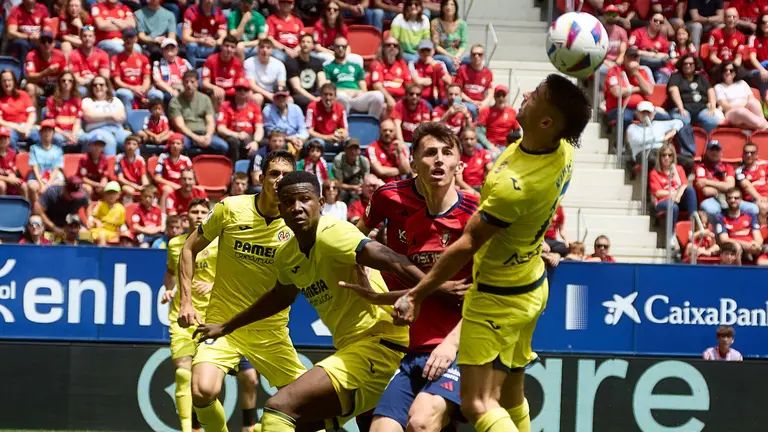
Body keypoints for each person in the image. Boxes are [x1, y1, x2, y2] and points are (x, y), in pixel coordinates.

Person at [391, 74, 591, 432]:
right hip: (532, 284)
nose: (525, 94)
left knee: (479, 402)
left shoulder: (514, 186)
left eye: (536, 96)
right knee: (511, 396)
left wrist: (416, 294)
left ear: (546, 122)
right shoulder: (563, 151)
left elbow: (467, 244)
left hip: (497, 297)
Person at [193, 169, 431, 431]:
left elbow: (392, 260)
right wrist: (227, 326)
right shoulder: (287, 255)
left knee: (278, 409)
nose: (297, 207)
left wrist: (436, 286)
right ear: (280, 210)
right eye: (288, 202)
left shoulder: (333, 232)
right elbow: (278, 298)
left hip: (380, 346)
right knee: (297, 424)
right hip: (354, 352)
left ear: (320, 203)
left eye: (304, 199)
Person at [345, 122, 477, 432]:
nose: (439, 160)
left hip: (462, 346)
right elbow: (355, 241)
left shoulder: (477, 215)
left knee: (420, 422)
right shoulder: (411, 218)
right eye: (430, 153)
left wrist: (452, 344)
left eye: (447, 153)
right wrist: (377, 293)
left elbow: (494, 290)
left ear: (459, 164)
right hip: (411, 341)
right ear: (413, 162)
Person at [174, 151, 307, 432]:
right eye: (274, 173)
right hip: (222, 326)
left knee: (308, 406)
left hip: (271, 333)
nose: (279, 180)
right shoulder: (230, 208)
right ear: (261, 178)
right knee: (202, 389)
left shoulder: (298, 223)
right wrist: (186, 302)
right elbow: (188, 248)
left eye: (286, 175)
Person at [162, 197, 218, 432]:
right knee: (183, 373)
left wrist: (213, 284)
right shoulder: (175, 244)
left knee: (204, 382)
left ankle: (199, 426)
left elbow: (232, 276)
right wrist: (168, 289)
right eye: (194, 211)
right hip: (182, 318)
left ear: (208, 216)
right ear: (187, 216)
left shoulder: (219, 242)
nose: (198, 215)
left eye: (203, 212)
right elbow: (170, 272)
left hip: (212, 319)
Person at [168, 71, 230, 157]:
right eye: (186, 82)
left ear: (197, 83)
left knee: (223, 146)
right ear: (182, 83)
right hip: (187, 135)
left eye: (192, 82)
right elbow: (180, 126)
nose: (189, 85)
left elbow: (210, 121)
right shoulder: (175, 101)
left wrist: (208, 136)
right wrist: (196, 138)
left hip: (204, 134)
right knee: (180, 147)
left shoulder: (205, 99)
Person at [695, 139, 759, 221]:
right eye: (712, 150)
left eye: (717, 150)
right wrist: (723, 188)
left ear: (721, 153)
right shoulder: (701, 168)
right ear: (706, 152)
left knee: (753, 208)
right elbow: (706, 191)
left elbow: (730, 186)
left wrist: (707, 182)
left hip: (730, 198)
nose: (714, 152)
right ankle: (719, 229)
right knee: (712, 210)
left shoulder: (728, 167)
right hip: (710, 200)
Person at [324, 36, 386, 118]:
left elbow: (363, 88)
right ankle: (342, 123)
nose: (341, 49)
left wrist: (359, 92)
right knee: (342, 97)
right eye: (338, 46)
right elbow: (328, 88)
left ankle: (371, 123)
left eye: (343, 46)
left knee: (378, 96)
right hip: (340, 96)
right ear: (333, 48)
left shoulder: (356, 66)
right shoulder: (328, 67)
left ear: (347, 48)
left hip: (357, 97)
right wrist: (344, 91)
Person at [667, 54, 723, 132]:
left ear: (695, 65)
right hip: (683, 108)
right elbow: (673, 90)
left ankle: (705, 138)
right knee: (684, 120)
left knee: (712, 121)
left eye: (690, 64)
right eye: (685, 64)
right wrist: (681, 108)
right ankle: (686, 139)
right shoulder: (676, 77)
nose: (688, 66)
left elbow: (710, 90)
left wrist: (712, 107)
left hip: (701, 108)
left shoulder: (701, 77)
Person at [625, 101, 689, 169]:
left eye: (648, 113)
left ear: (653, 114)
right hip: (642, 152)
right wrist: (662, 138)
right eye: (643, 113)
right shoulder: (632, 128)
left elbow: (679, 122)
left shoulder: (658, 124)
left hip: (661, 152)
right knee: (652, 159)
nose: (646, 115)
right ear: (637, 114)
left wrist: (673, 131)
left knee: (688, 162)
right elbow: (639, 140)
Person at [78, 77, 130, 156]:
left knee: (131, 139)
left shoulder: (115, 100)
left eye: (101, 85)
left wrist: (99, 117)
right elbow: (88, 116)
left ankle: (137, 163)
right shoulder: (87, 101)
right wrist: (111, 116)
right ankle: (109, 164)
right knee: (109, 141)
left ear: (106, 87)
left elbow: (122, 117)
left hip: (117, 129)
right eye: (95, 85)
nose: (98, 87)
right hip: (98, 129)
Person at [649, 143, 698, 226]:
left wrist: (678, 196)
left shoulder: (679, 169)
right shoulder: (654, 173)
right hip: (663, 201)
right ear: (659, 157)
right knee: (673, 206)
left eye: (669, 155)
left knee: (690, 190)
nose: (666, 157)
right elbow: (658, 193)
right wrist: (675, 194)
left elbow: (684, 185)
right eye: (664, 155)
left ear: (673, 157)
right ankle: (672, 232)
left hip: (678, 199)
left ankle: (693, 222)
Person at [217, 78, 264, 161]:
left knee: (256, 144)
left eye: (245, 89)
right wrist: (237, 134)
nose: (242, 91)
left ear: (249, 91)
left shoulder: (254, 107)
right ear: (235, 90)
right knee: (234, 142)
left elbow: (259, 128)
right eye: (239, 89)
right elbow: (221, 128)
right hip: (232, 135)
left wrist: (256, 142)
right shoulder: (226, 106)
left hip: (249, 136)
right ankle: (233, 167)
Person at [715, 61, 768, 129]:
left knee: (754, 102)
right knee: (741, 111)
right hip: (731, 112)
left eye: (731, 70)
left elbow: (751, 98)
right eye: (725, 70)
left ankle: (762, 125)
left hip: (747, 110)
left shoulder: (742, 83)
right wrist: (742, 106)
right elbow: (725, 105)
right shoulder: (719, 87)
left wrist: (745, 106)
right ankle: (764, 125)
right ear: (721, 73)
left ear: (735, 72)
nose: (728, 72)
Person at [112, 28, 152, 116]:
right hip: (125, 89)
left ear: (136, 39)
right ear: (123, 39)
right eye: (126, 37)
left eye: (131, 37)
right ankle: (128, 121)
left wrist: (143, 90)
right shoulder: (116, 58)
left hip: (140, 89)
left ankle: (157, 122)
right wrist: (133, 88)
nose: (129, 40)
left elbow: (146, 78)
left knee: (156, 94)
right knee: (126, 94)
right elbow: (117, 81)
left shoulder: (143, 58)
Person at [715, 187, 763, 259]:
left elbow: (758, 237)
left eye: (736, 198)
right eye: (730, 198)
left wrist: (755, 244)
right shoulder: (721, 217)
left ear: (741, 200)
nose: (733, 200)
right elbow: (724, 239)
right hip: (733, 247)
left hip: (750, 246)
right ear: (726, 200)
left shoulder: (750, 215)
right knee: (737, 247)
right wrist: (742, 243)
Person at [24, 30, 69, 105]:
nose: (46, 44)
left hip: (56, 87)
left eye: (49, 41)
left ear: (54, 43)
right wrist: (46, 72)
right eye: (43, 41)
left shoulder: (60, 55)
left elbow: (66, 74)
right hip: (39, 86)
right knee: (30, 87)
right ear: (38, 43)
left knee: (66, 85)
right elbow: (30, 77)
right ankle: (32, 112)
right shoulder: (32, 56)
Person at [0, 70, 40, 150]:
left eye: (9, 80)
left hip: (26, 125)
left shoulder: (23, 94)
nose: (7, 83)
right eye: (4, 81)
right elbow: (0, 121)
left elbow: (32, 114)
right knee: (9, 138)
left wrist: (27, 128)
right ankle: (13, 157)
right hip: (10, 127)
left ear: (14, 81)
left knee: (40, 136)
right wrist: (17, 127)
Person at [287, 33, 328, 111]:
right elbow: (297, 88)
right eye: (303, 41)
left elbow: (322, 82)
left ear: (312, 46)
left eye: (308, 42)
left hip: (315, 93)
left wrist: (322, 96)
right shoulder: (292, 63)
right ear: (299, 44)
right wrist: (314, 99)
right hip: (299, 95)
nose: (305, 44)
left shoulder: (317, 62)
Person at [263, 86, 309, 155]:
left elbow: (303, 129)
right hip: (279, 140)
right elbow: (271, 132)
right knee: (282, 145)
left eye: (283, 96)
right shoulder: (268, 110)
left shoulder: (296, 108)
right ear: (274, 98)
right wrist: (289, 138)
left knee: (309, 145)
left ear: (287, 97)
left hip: (296, 138)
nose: (281, 99)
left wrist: (299, 139)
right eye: (278, 97)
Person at [27, 120, 65, 203]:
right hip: (37, 179)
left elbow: (56, 169)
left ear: (53, 133)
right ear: (40, 133)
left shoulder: (58, 150)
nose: (47, 133)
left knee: (62, 186)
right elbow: (35, 168)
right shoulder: (34, 148)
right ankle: (36, 207)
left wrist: (47, 185)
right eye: (44, 131)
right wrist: (41, 184)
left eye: (49, 131)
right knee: (32, 187)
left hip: (53, 179)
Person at [476, 85, 520, 156]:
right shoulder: (486, 111)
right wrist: (490, 146)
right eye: (498, 95)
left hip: (505, 146)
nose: (501, 98)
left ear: (507, 97)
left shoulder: (512, 112)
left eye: (503, 95)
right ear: (494, 97)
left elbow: (517, 132)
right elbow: (478, 132)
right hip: (489, 145)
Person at [201, 35, 244, 107]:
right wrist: (215, 88)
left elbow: (240, 83)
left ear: (235, 49)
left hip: (231, 92)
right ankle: (219, 114)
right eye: (226, 46)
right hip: (216, 92)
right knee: (219, 94)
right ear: (221, 46)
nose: (229, 49)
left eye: (232, 47)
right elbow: (205, 83)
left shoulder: (237, 63)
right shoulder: (211, 60)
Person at [305, 83, 348, 154]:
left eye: (331, 95)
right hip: (318, 140)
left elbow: (345, 130)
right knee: (319, 143)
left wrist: (341, 135)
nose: (328, 98)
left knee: (349, 142)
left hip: (334, 139)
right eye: (325, 94)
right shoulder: (312, 107)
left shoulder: (340, 108)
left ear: (335, 96)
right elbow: (309, 131)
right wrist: (327, 138)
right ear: (321, 96)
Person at [182, 0, 227, 67]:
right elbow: (185, 38)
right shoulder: (191, 11)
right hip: (196, 45)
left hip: (211, 46)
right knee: (191, 46)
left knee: (225, 47)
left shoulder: (219, 13)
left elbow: (223, 37)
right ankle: (192, 71)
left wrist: (215, 42)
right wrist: (201, 40)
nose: (210, 1)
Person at [454, 44, 494, 119]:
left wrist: (483, 104)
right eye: (474, 54)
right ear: (470, 56)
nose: (476, 56)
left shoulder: (488, 73)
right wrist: (472, 101)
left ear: (483, 56)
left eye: (479, 54)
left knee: (492, 111)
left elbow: (490, 93)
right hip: (466, 102)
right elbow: (457, 91)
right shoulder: (462, 70)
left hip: (481, 103)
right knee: (472, 109)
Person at [244, 39, 288, 107]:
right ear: (257, 49)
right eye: (262, 47)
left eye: (268, 48)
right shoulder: (249, 62)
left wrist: (277, 95)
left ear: (272, 50)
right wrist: (268, 95)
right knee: (257, 98)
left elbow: (281, 85)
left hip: (274, 93)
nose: (265, 50)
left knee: (289, 100)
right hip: (257, 92)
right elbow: (251, 85)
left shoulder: (279, 64)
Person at [46, 72, 84, 149]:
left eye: (70, 81)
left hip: (74, 131)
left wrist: (73, 135)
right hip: (59, 132)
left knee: (86, 139)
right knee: (57, 138)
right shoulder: (51, 100)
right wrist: (65, 134)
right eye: (63, 80)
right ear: (59, 82)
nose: (66, 83)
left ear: (73, 83)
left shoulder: (77, 100)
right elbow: (51, 124)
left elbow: (77, 122)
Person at [70, 26, 111, 96]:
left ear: (94, 38)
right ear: (80, 38)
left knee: (111, 92)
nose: (87, 38)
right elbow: (75, 78)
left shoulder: (102, 54)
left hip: (98, 85)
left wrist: (92, 82)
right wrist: (89, 81)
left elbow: (105, 77)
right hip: (82, 86)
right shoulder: (74, 55)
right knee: (81, 91)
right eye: (84, 36)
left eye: (90, 36)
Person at [150, 39, 193, 103]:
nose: (169, 50)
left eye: (172, 48)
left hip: (182, 87)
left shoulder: (184, 61)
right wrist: (171, 90)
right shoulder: (157, 64)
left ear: (177, 50)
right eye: (167, 48)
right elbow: (158, 81)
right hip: (165, 89)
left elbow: (193, 76)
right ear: (162, 51)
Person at [430, 0, 467, 75]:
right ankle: (453, 78)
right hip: (442, 55)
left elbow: (463, 43)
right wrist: (451, 57)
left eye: (452, 4)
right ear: (442, 7)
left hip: (457, 55)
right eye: (446, 4)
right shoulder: (435, 23)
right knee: (448, 61)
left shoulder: (462, 24)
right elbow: (436, 46)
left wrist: (457, 56)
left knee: (469, 60)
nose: (449, 7)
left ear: (456, 7)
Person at [391, 0, 431, 64]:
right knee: (415, 60)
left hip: (419, 53)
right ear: (406, 7)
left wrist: (425, 55)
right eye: (410, 4)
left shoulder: (425, 19)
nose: (413, 6)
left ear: (420, 7)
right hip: (402, 52)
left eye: (416, 4)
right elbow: (394, 40)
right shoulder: (399, 18)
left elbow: (426, 40)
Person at [708, 8, 746, 73]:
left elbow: (738, 58)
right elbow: (712, 57)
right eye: (728, 17)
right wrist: (725, 66)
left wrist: (732, 67)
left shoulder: (741, 36)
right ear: (724, 19)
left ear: (738, 20)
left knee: (745, 74)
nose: (731, 19)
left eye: (734, 17)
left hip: (733, 66)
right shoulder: (714, 33)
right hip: (717, 65)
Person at [87, 180, 126, 245]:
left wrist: (120, 234)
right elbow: (93, 217)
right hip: (99, 230)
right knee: (100, 235)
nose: (111, 196)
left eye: (114, 193)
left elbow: (121, 225)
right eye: (109, 193)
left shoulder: (121, 208)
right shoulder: (100, 205)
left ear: (118, 195)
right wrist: (97, 221)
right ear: (105, 194)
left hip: (112, 232)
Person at [332, 138, 369, 203]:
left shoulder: (364, 161)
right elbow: (339, 184)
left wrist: (360, 188)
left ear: (359, 150)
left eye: (356, 149)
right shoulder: (338, 160)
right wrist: (353, 187)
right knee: (341, 194)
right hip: (343, 187)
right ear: (345, 150)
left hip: (359, 187)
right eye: (350, 148)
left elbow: (366, 180)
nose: (353, 151)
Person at [0, 127, 28, 199]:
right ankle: (3, 206)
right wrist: (7, 179)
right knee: (1, 185)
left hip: (10, 178)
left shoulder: (13, 153)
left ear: (9, 140)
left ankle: (25, 205)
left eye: (5, 138)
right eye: (0, 138)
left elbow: (14, 170)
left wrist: (12, 176)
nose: (2, 140)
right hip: (2, 180)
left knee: (23, 186)